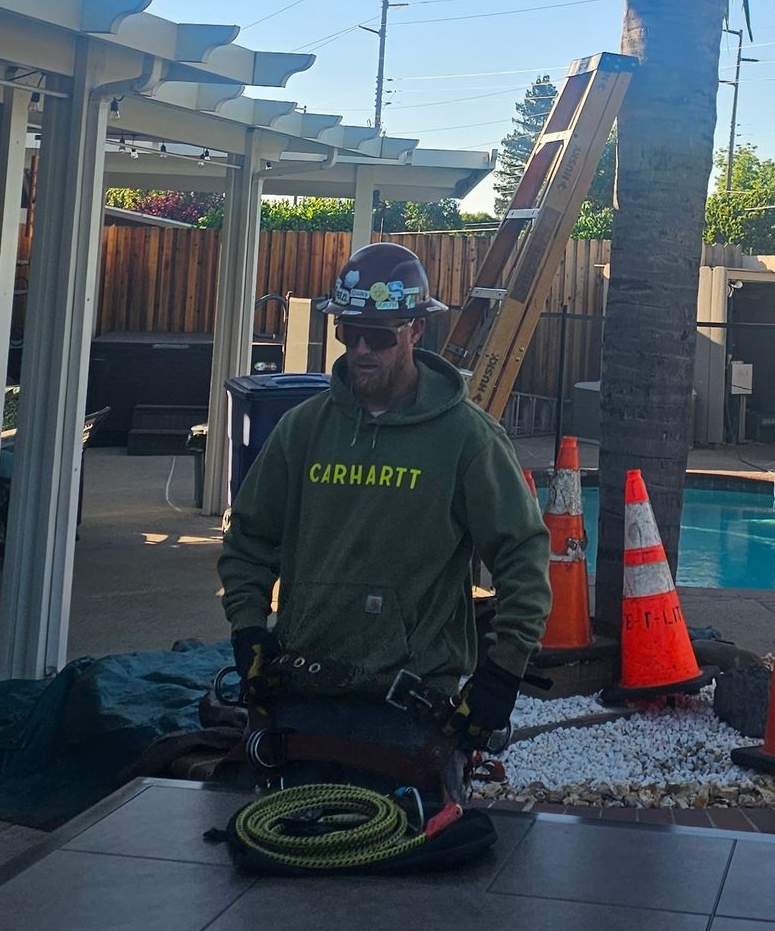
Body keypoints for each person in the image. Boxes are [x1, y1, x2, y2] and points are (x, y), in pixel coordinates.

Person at [219, 241, 550, 747]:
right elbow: (249, 538)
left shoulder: (467, 438)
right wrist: (248, 629)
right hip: (303, 688)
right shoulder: (302, 430)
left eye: (378, 336)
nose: (361, 351)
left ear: (415, 330)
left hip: (412, 704)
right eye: (349, 334)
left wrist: (502, 672)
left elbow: (522, 554)